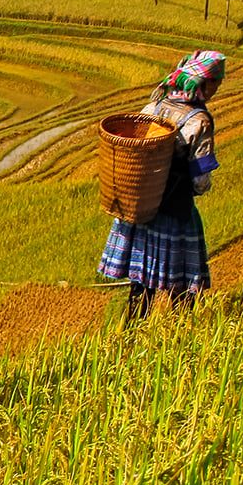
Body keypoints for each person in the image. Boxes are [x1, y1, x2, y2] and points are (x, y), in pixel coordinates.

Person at [99, 49, 226, 318]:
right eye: (217, 82)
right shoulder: (199, 122)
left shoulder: (152, 108)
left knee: (141, 287)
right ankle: (177, 336)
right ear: (204, 83)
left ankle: (130, 336)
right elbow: (201, 178)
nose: (217, 88)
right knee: (182, 285)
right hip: (176, 211)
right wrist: (196, 189)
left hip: (143, 209)